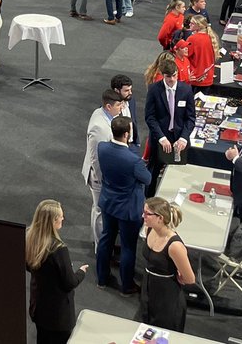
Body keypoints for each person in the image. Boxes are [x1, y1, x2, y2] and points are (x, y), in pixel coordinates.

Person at [95, 116, 151, 296]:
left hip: (108, 203)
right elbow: (147, 179)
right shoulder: (133, 160)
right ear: (127, 134)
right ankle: (126, 286)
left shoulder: (102, 147)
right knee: (128, 247)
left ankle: (101, 278)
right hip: (128, 209)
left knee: (106, 239)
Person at [25, 199, 89, 344]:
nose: (63, 218)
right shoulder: (58, 249)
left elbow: (29, 266)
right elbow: (69, 282)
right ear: (53, 221)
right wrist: (81, 272)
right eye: (60, 216)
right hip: (58, 316)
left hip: (39, 308)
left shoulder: (30, 238)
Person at [139, 197, 195, 331]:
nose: (143, 216)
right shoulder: (149, 230)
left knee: (164, 330)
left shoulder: (174, 245)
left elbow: (190, 278)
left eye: (147, 213)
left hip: (167, 295)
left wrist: (180, 275)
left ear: (160, 218)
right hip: (149, 286)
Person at [145, 56, 196, 182]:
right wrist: (161, 138)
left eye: (174, 75)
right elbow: (150, 117)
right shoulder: (154, 90)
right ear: (163, 75)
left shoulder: (186, 90)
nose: (172, 79)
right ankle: (149, 199)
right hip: (160, 137)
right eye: (168, 76)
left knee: (179, 172)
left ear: (177, 73)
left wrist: (184, 138)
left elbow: (190, 118)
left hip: (179, 137)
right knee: (153, 171)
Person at [83, 89, 125, 244]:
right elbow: (96, 158)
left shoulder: (102, 113)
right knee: (99, 210)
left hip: (103, 175)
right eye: (119, 105)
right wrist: (103, 180)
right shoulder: (99, 128)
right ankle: (100, 246)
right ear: (108, 106)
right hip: (98, 177)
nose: (121, 108)